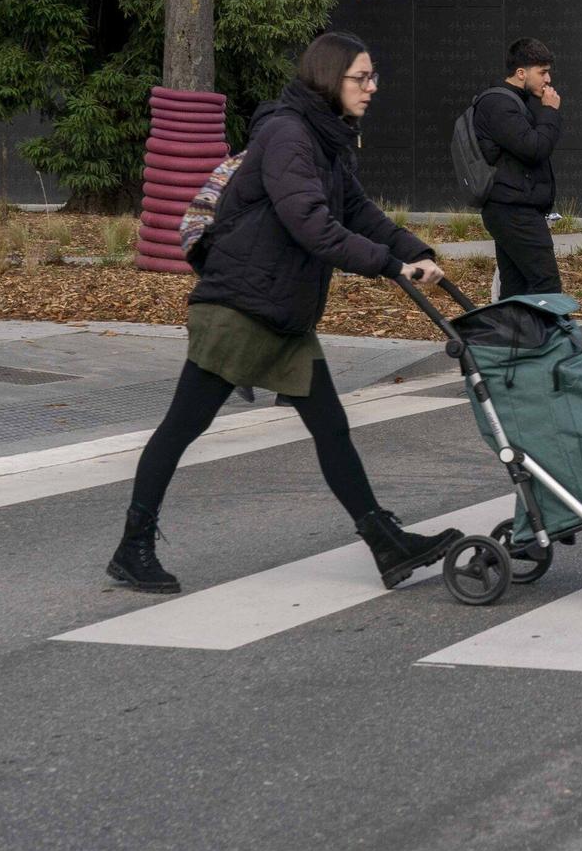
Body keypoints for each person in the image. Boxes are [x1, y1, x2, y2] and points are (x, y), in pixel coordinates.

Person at [106, 32, 462, 595]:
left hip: (283, 310)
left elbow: (359, 212)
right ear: (329, 78)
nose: (372, 87)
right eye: (361, 77)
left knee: (331, 427)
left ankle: (385, 543)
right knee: (184, 425)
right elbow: (313, 226)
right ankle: (133, 547)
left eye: (373, 76)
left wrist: (416, 250)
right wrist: (392, 265)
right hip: (240, 306)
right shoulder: (288, 135)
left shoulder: (326, 140)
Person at [474, 38, 563, 299]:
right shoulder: (499, 104)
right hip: (514, 211)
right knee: (546, 286)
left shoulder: (513, 101)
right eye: (542, 72)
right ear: (521, 73)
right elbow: (534, 148)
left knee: (516, 290)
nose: (548, 79)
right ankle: (547, 328)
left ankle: (509, 327)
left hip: (513, 208)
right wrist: (550, 111)